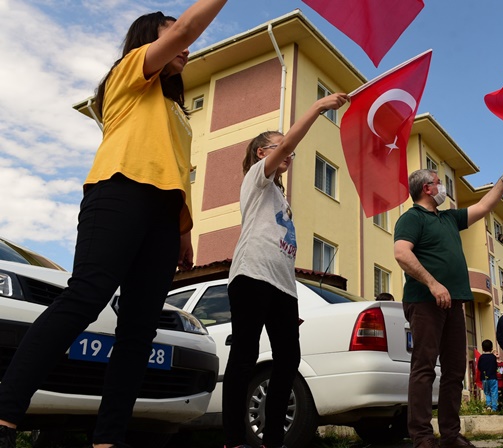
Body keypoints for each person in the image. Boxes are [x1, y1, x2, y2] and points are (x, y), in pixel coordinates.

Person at [0, 2, 229, 447]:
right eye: (167, 36)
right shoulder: (127, 75)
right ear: (150, 39)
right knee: (85, 298)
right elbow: (184, 31)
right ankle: (5, 415)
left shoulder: (177, 111)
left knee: (140, 329)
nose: (185, 49)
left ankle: (108, 439)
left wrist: (183, 231)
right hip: (118, 193)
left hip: (164, 215)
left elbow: (176, 169)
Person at [222, 93, 348, 448]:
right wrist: (319, 108)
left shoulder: (280, 197)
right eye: (280, 148)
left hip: (282, 287)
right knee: (245, 355)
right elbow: (291, 139)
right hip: (251, 276)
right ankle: (234, 440)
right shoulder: (256, 179)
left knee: (288, 361)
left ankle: (273, 440)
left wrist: (289, 293)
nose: (289, 154)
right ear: (264, 153)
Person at [394, 156, 503, 448]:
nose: (443, 189)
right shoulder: (412, 217)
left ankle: (451, 435)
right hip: (425, 301)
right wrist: (433, 283)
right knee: (424, 368)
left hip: (454, 304)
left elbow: (485, 206)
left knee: (454, 370)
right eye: (439, 183)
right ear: (427, 188)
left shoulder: (448, 218)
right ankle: (422, 437)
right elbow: (402, 253)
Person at [478, 340, 499, 412]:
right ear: (491, 348)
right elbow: (495, 367)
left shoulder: (481, 357)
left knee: (487, 392)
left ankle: (488, 405)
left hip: (484, 378)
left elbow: (479, 367)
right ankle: (494, 407)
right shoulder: (493, 357)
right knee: (494, 392)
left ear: (483, 348)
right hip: (493, 377)